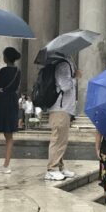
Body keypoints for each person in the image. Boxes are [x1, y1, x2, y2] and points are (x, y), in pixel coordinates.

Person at [0, 47, 21, 174]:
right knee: (9, 135)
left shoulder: (3, 71)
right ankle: (6, 165)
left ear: (6, 57)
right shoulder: (18, 71)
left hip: (0, 101)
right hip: (12, 101)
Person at [45, 53, 78, 181]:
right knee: (58, 138)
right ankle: (51, 169)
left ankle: (60, 166)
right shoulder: (63, 65)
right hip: (60, 108)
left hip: (63, 108)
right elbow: (65, 85)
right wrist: (76, 78)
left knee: (62, 140)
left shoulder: (65, 64)